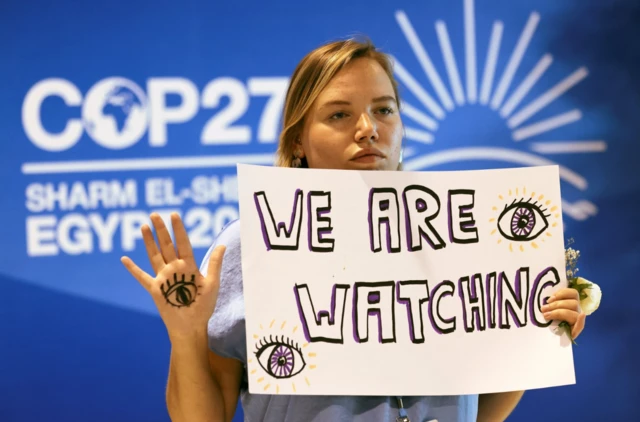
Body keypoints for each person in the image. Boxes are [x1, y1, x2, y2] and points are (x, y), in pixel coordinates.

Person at [121, 38, 587, 422]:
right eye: (339, 114)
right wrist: (187, 334)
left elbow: (480, 414)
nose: (367, 129)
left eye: (384, 110)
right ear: (298, 140)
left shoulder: (461, 235)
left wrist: (534, 335)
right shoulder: (252, 243)